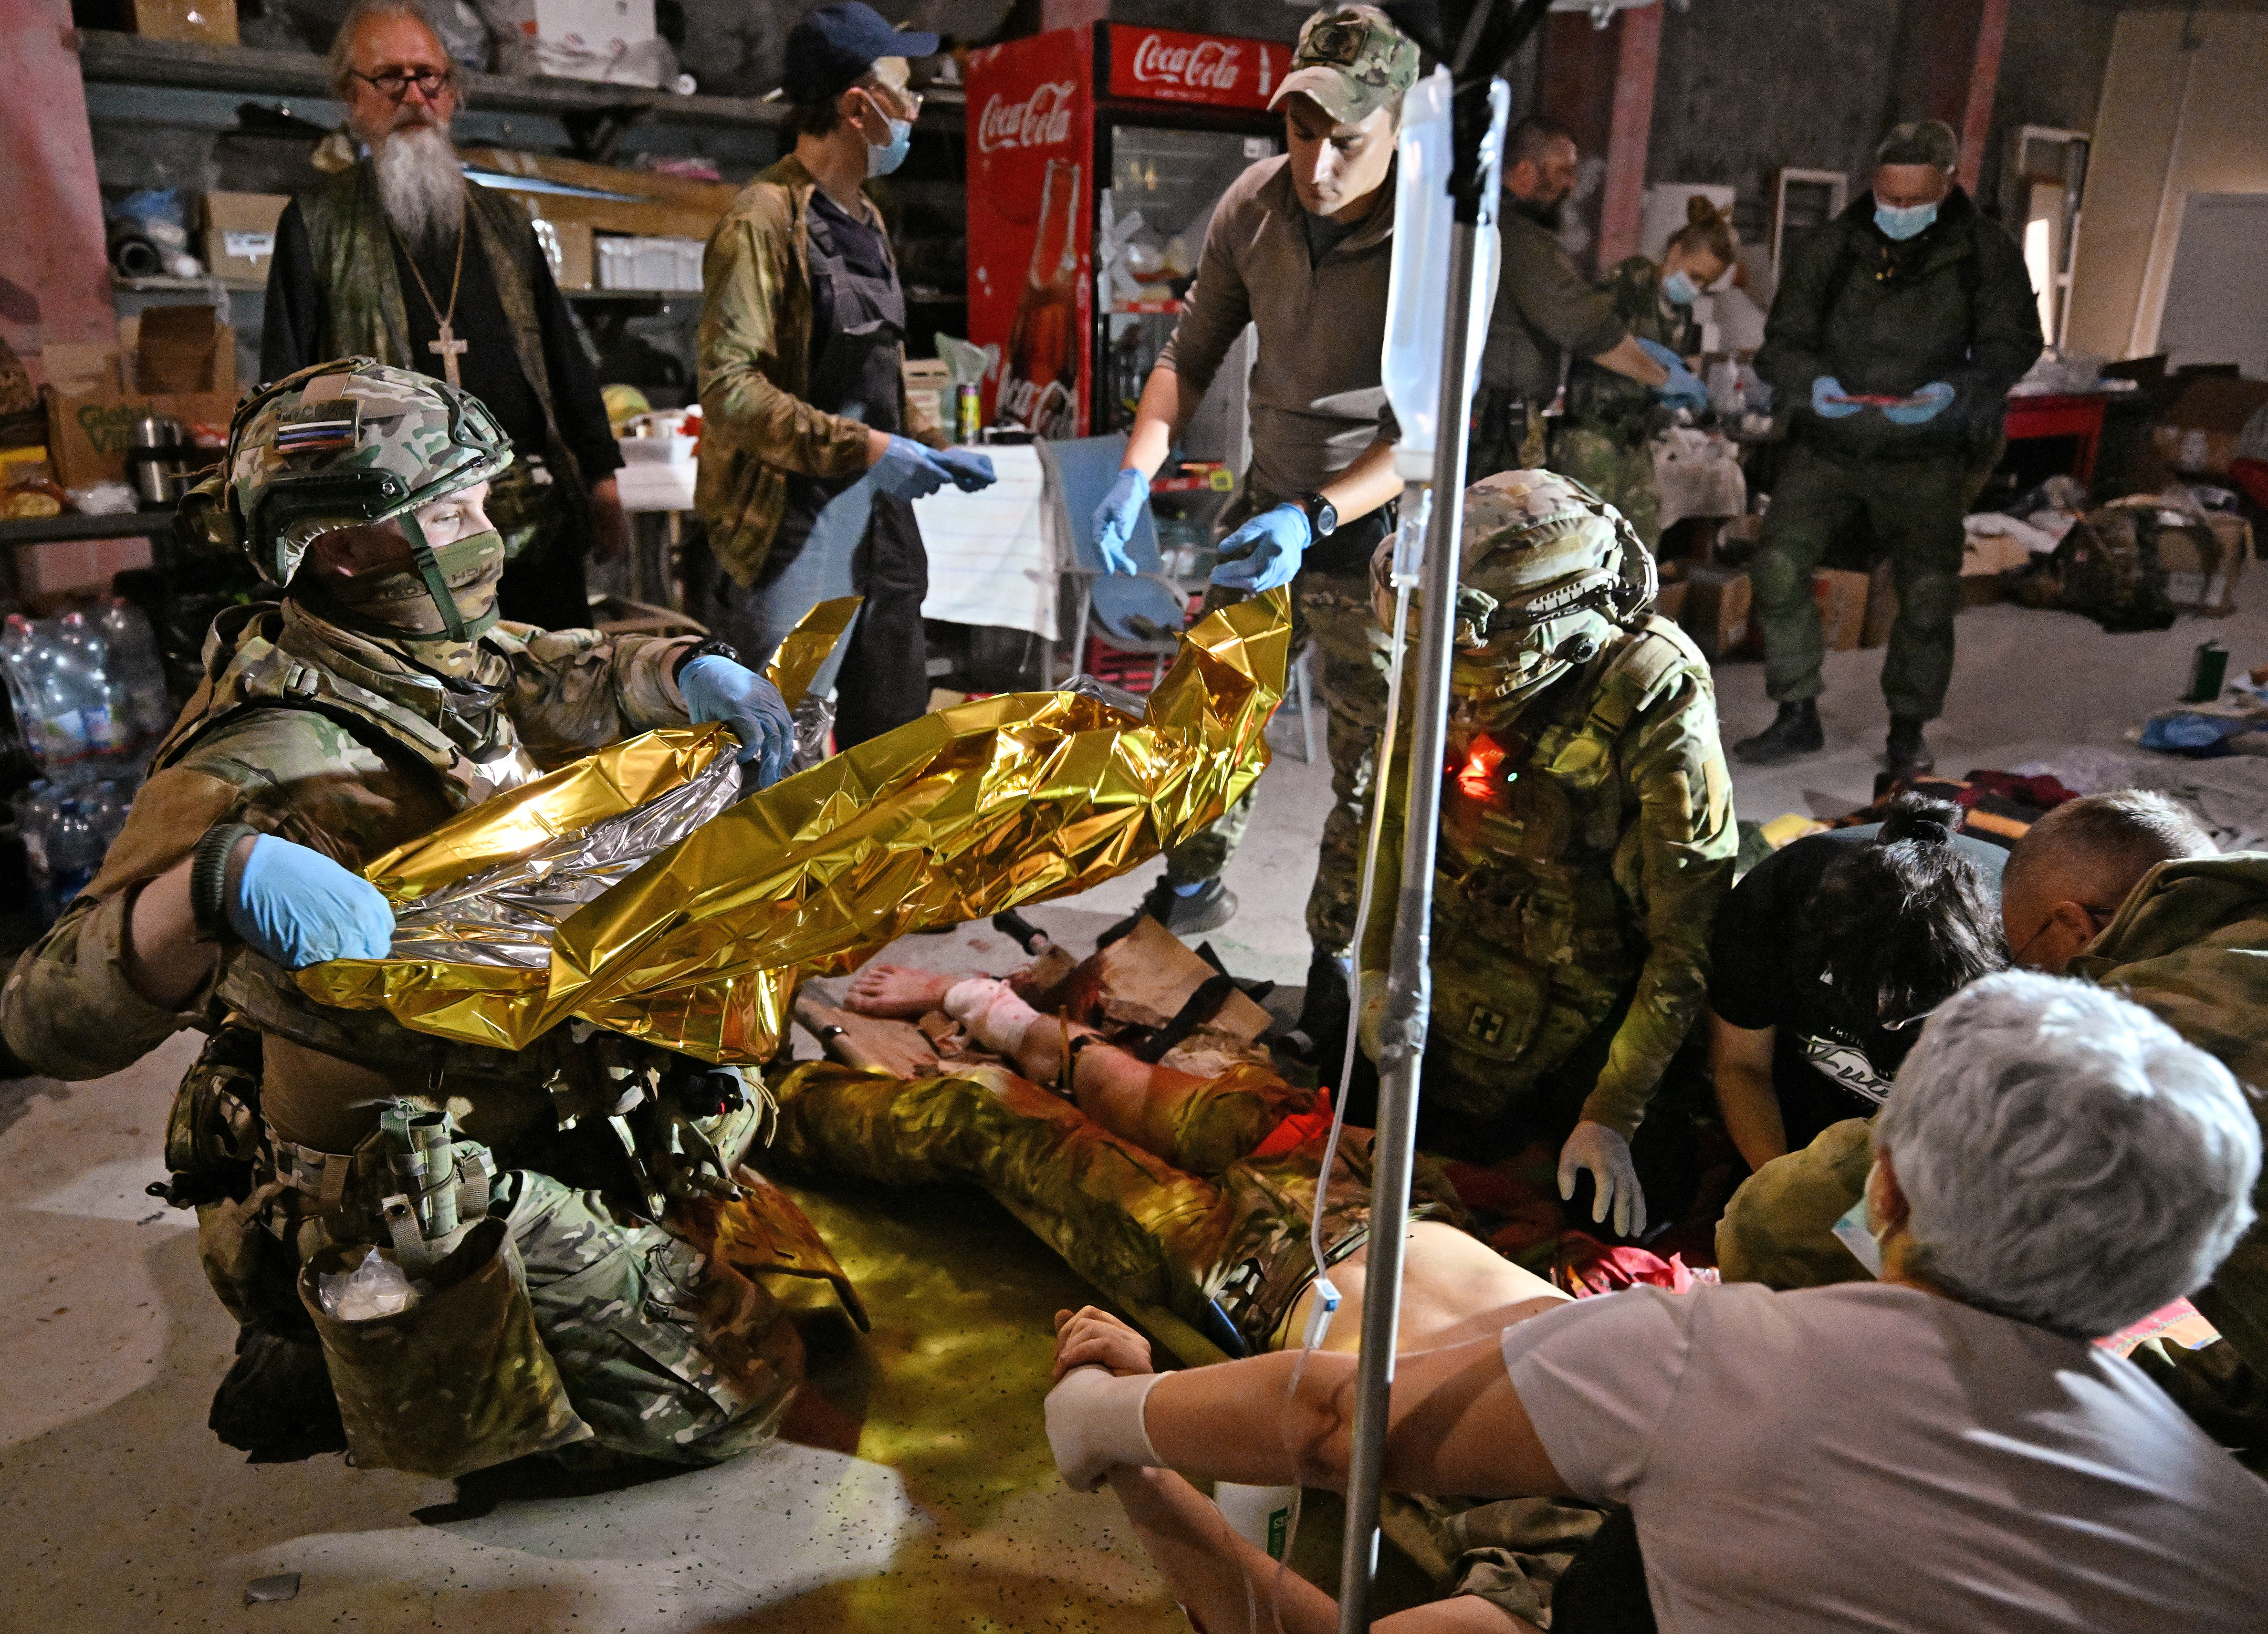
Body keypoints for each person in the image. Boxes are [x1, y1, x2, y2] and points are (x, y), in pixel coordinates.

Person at [0, 361, 812, 1474]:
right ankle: (381, 1324)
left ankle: (371, 1320)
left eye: (479, 502)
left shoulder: (402, 646)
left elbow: (539, 665)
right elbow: (39, 1015)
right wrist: (209, 887)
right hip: (410, 1164)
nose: (487, 534)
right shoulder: (267, 750)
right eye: (448, 511)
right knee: (739, 1384)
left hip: (483, 1082)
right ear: (341, 543)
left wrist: (685, 671)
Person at [1045, 973, 2268, 1634]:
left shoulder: (1715, 1364)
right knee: (1201, 1112)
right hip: (1387, 1252)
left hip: (1278, 1298)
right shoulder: (2234, 1537)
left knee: (1056, 1140)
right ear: (2176, 1288)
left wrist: (1119, 1442)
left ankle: (1011, 1038)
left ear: (1883, 1186)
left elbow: (1323, 1425)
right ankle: (1022, 1029)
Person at [1086, 3, 1422, 1003]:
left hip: (1380, 537)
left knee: (1367, 776)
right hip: (1267, 507)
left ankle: (1335, 961)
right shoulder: (1255, 205)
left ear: (1398, 126)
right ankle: (1189, 892)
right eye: (1301, 129)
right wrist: (1133, 471)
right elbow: (1188, 359)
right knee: (1206, 725)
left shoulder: (1432, 238)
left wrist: (1318, 518)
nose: (1318, 164)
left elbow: (1432, 437)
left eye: (1347, 140)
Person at [778, 962, 1567, 1363]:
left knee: (986, 1114)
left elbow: (1331, 1425)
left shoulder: (1555, 1531)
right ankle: (1002, 1013)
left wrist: (1135, 1437)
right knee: (1241, 1103)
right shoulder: (1670, 1346)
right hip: (1375, 1200)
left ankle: (755, 1105)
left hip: (1246, 1275)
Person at [1356, 470, 1735, 1237]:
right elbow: (1395, 824)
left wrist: (1614, 1114)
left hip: (1598, 1001)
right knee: (1356, 1157)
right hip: (1464, 956)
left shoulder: (1651, 689)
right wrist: (1370, 972)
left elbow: (1687, 935)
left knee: (1608, 1218)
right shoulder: (1438, 646)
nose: (1451, 689)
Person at [261, 0, 628, 633]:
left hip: (533, 521)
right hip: (400, 537)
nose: (413, 95)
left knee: (557, 698)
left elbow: (564, 361)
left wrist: (603, 480)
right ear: (353, 99)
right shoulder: (316, 225)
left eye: (428, 76)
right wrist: (308, 518)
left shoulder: (507, 223)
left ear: (451, 94)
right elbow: (285, 391)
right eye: (389, 78)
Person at [693, 2, 994, 751]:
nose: (917, 109)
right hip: (793, 531)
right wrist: (864, 448)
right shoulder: (762, 220)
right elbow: (730, 390)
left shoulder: (868, 218)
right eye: (907, 91)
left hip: (882, 527)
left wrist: (928, 442)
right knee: (779, 747)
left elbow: (880, 373)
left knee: (889, 732)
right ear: (861, 108)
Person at [1735, 119, 2043, 778]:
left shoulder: (1985, 254)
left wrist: (1952, 392)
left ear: (1948, 184)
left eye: (1913, 201)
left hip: (1925, 455)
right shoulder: (1831, 247)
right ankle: (1796, 712)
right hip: (1829, 446)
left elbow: (2012, 345)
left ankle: (1909, 728)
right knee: (1777, 567)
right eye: (1887, 197)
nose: (1897, 213)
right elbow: (1780, 345)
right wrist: (1809, 384)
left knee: (1928, 592)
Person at [1705, 792, 2006, 1174]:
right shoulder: (1778, 901)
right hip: (1799, 1101)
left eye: (1919, 1005)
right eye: (1867, 993)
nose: (1891, 1024)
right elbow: (1741, 1063)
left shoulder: (2026, 951)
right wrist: (1782, 1185)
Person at [1469, 116, 1707, 488]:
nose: (1572, 184)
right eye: (1563, 172)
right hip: (1493, 430)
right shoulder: (1517, 240)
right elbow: (1586, 326)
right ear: (1524, 171)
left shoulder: (1496, 227)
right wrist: (1660, 376)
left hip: (1496, 423)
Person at [1553, 197, 1736, 548]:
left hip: (1634, 438)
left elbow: (1679, 364)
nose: (1695, 288)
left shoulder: (1679, 314)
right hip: (1592, 434)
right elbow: (1593, 333)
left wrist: (1681, 386)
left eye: (1704, 284)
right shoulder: (1631, 280)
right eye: (1694, 275)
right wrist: (1654, 366)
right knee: (1584, 546)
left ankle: (1637, 605)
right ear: (1675, 251)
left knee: (1640, 543)